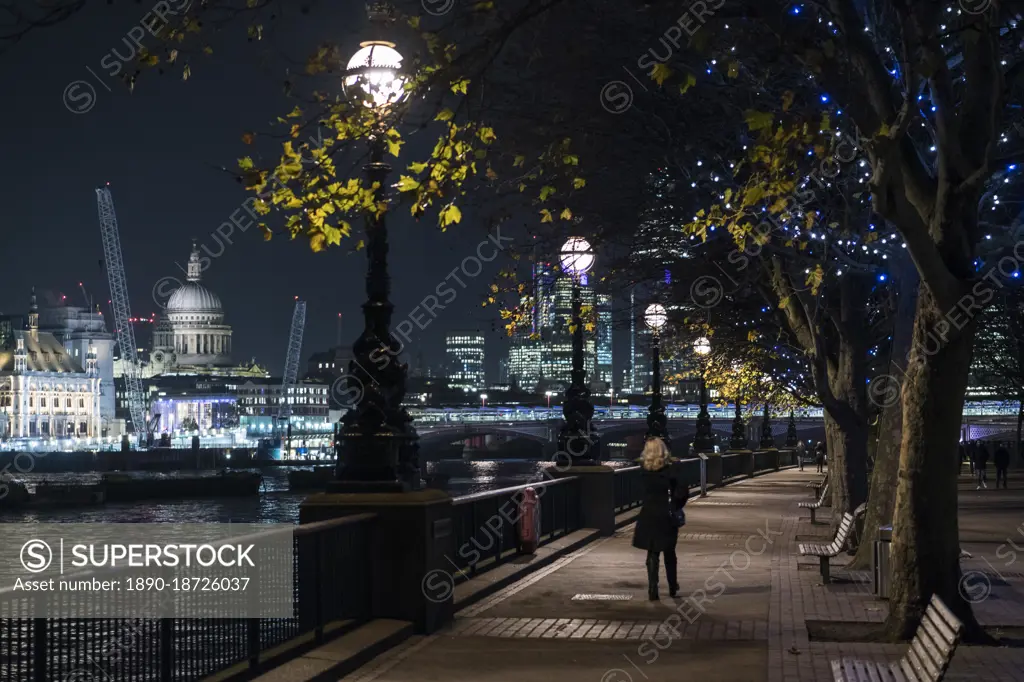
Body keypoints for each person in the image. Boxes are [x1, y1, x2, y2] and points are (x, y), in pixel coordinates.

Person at [632, 437, 686, 601]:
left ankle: (652, 588)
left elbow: (637, 491)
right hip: (667, 513)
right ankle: (672, 586)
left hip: (649, 512)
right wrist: (676, 506)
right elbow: (682, 492)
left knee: (652, 551)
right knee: (669, 551)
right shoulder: (672, 468)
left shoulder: (643, 469)